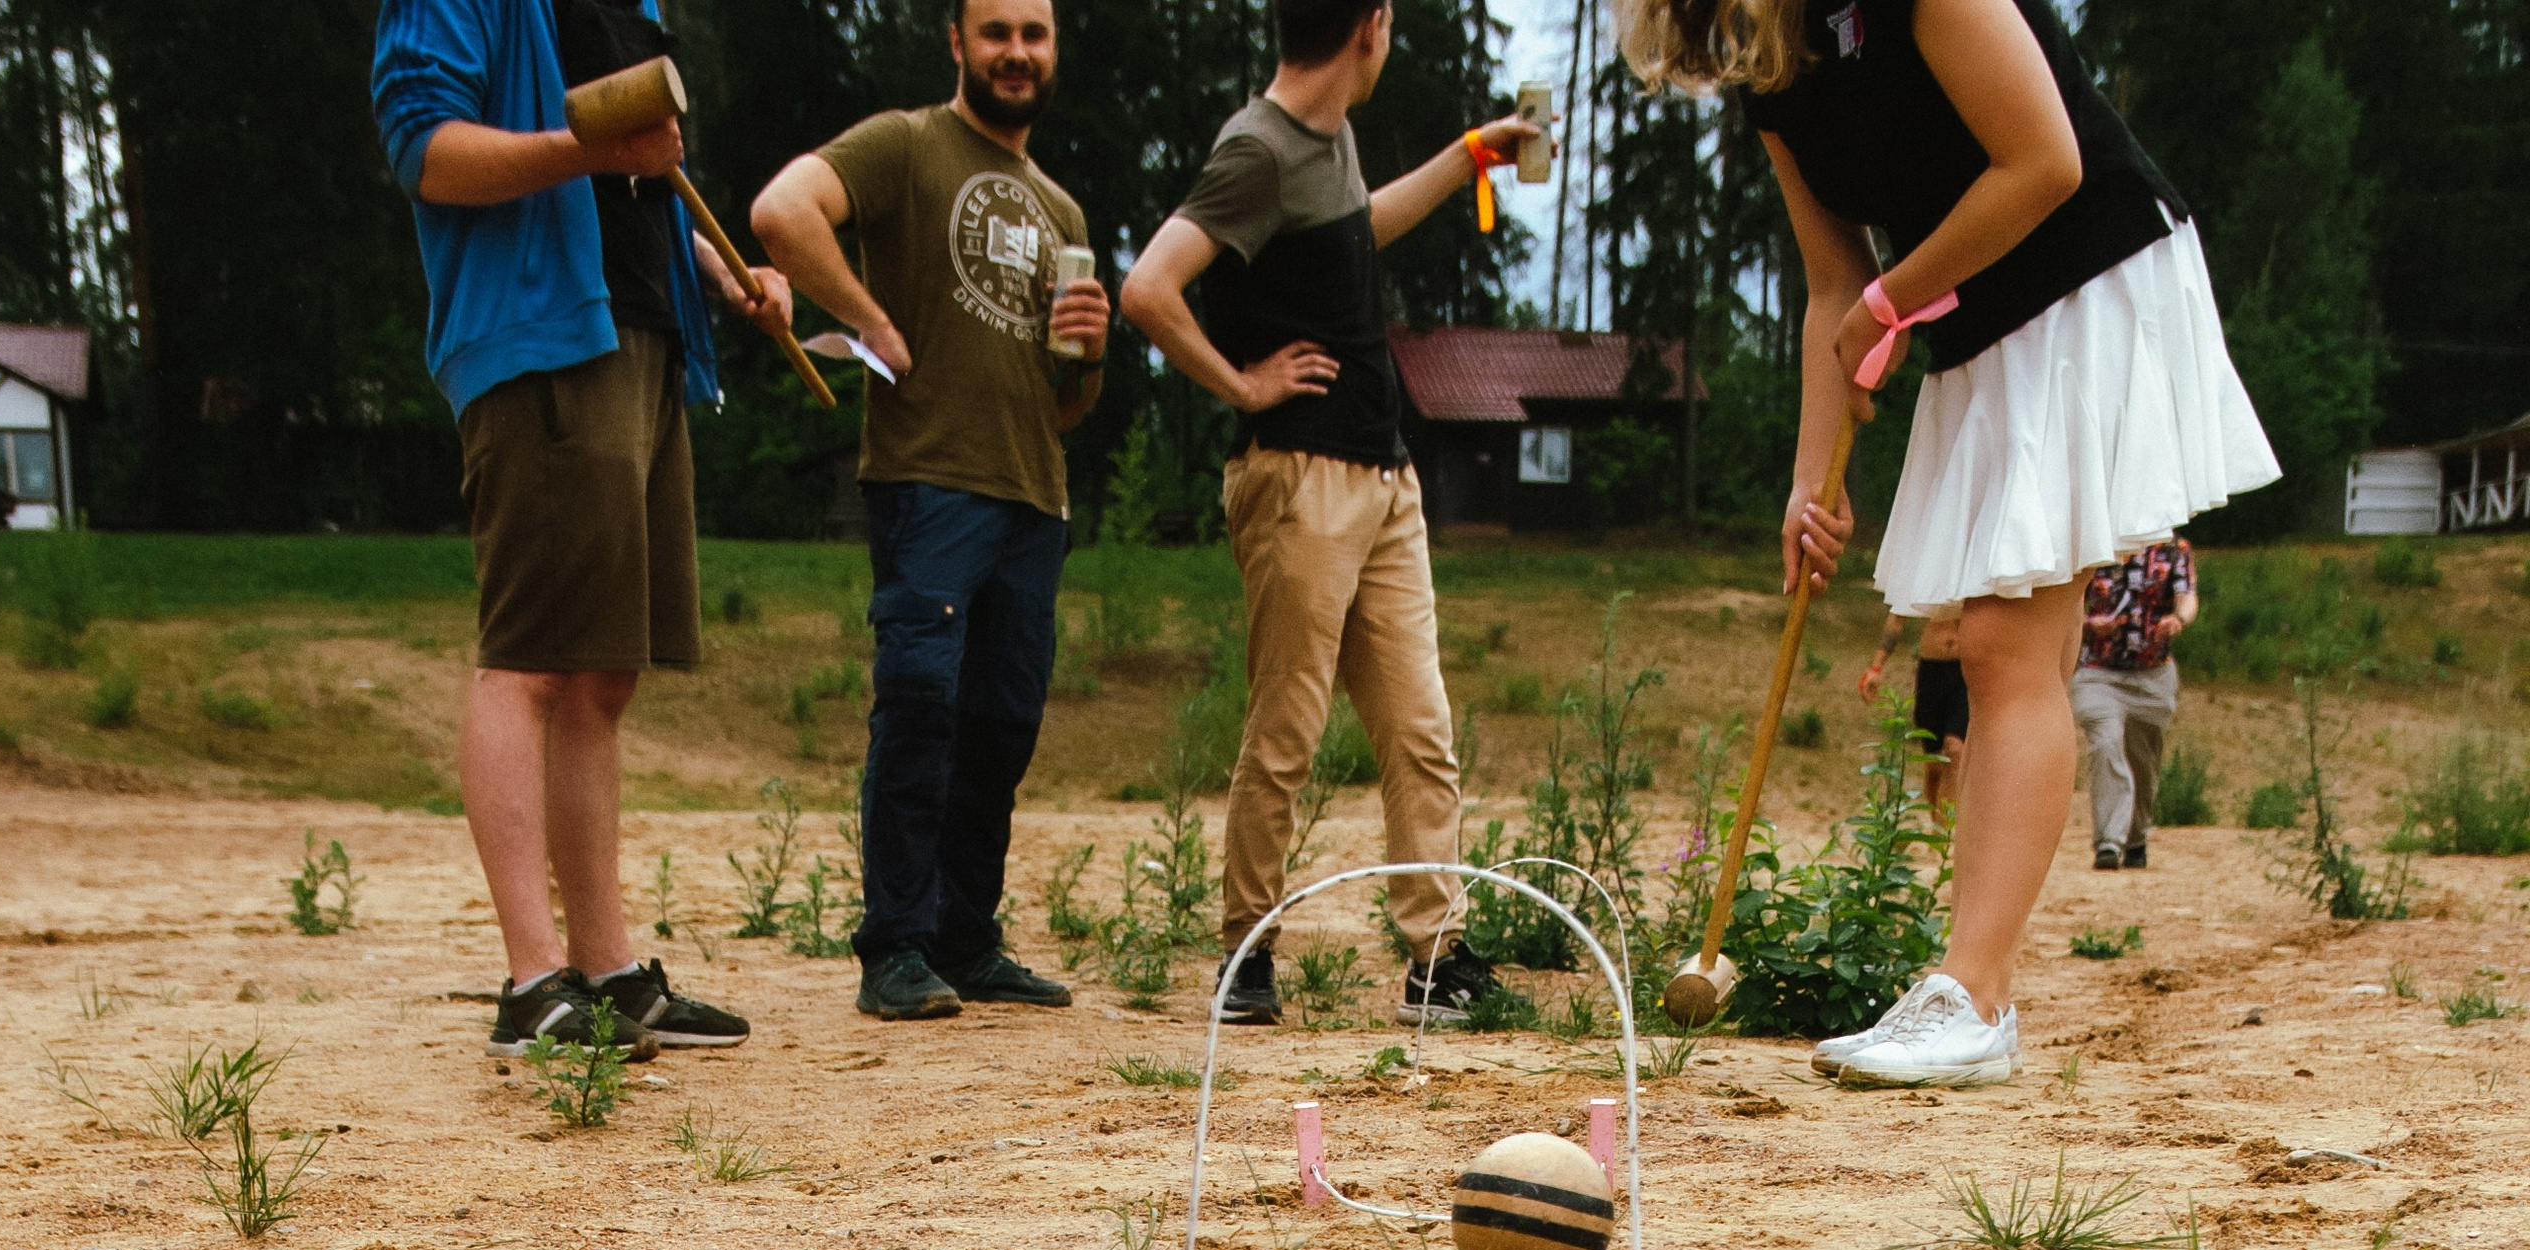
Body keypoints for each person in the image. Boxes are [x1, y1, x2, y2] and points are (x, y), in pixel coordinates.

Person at [1619, 0, 2273, 1091]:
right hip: (1977, 336)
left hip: (2088, 279)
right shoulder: (1769, 65)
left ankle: (1971, 997)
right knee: (2012, 653)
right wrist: (1809, 484)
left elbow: (2043, 163)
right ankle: (1973, 994)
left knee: (2001, 648)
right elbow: (1832, 284)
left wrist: (1893, 300)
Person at [373, 0, 792, 1056]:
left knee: (604, 673)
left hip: (642, 334)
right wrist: (588, 149)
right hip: (537, 338)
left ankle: (606, 973)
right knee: (529, 662)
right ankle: (532, 983)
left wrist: (725, 273)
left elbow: (640, 182)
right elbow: (426, 152)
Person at [1121, 7, 1535, 1029]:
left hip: (1383, 476)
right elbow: (1148, 289)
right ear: (1370, 25)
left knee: (1420, 731)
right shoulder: (1256, 151)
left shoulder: (1329, 135)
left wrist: (1466, 158)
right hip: (1298, 477)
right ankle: (1245, 955)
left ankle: (1436, 961)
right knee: (1287, 730)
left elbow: (1355, 234)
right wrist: (1241, 386)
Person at [751, 0, 1110, 1023]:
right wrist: (869, 320)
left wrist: (1090, 351)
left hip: (1033, 495)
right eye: (996, 32)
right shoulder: (906, 145)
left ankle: (965, 937)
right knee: (920, 709)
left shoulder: (1063, 210)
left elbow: (1067, 404)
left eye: (1034, 34)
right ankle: (895, 947)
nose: (1016, 52)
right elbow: (781, 211)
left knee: (1001, 726)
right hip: (929, 483)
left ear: (1054, 49)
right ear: (958, 42)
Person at [2073, 535, 2197, 869]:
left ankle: (2136, 837)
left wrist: (2178, 619)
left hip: (2152, 675)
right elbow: (2067, 606)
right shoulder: (2094, 542)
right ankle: (2109, 842)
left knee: (2144, 762)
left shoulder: (2174, 550)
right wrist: (2089, 624)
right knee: (2106, 743)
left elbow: (2187, 596)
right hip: (2098, 672)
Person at [1859, 600, 1967, 814]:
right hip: (1932, 668)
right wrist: (1876, 669)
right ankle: (1936, 826)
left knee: (1954, 749)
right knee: (1934, 763)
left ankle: (1945, 831)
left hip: (1967, 668)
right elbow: (1897, 616)